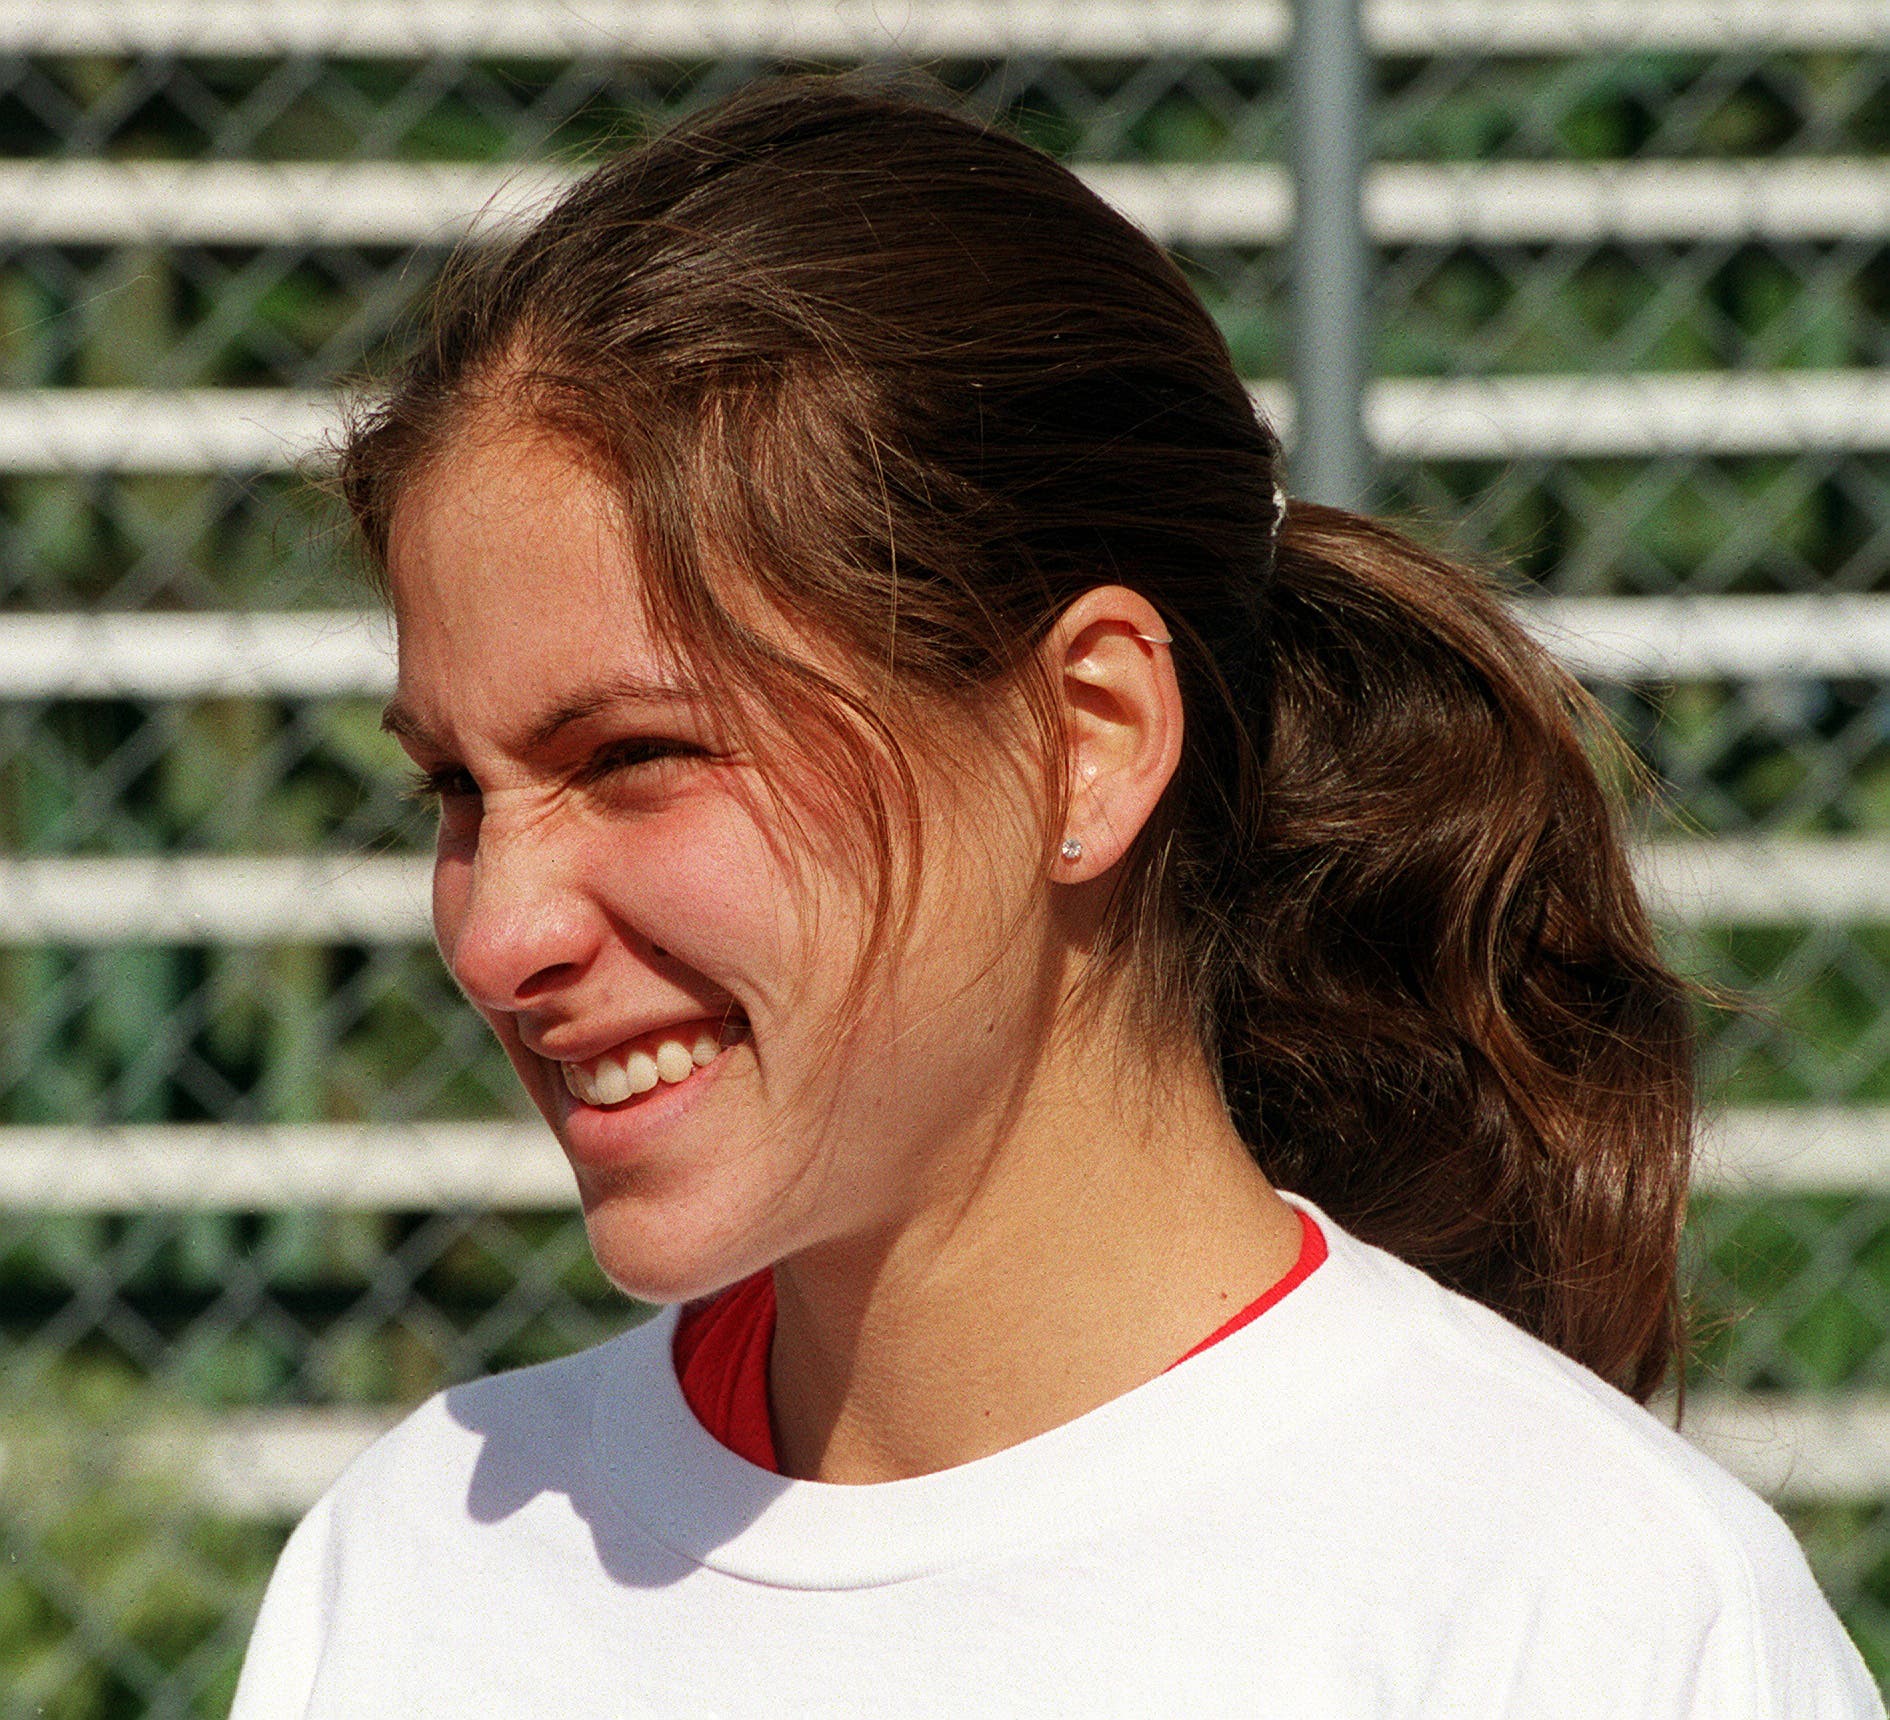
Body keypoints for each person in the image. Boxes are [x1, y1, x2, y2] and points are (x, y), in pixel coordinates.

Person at [231, 76, 1884, 1718]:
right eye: (454, 789)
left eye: (638, 755)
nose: (499, 932)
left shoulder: (1580, 1611)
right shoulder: (416, 1565)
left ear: (1086, 737)